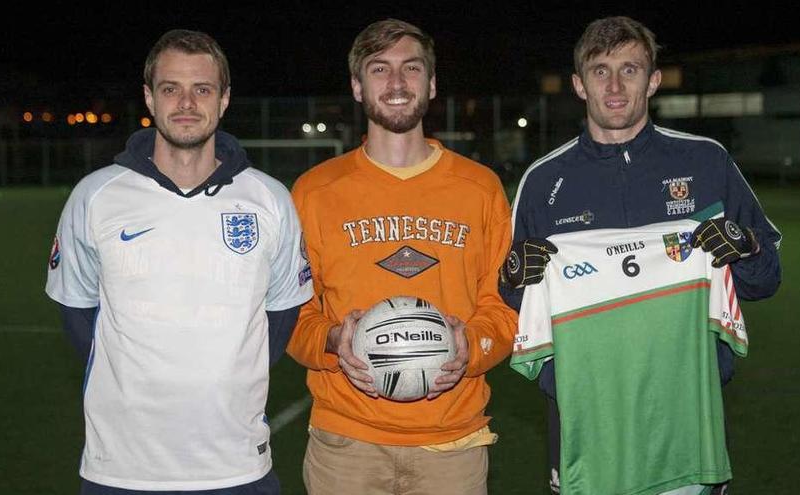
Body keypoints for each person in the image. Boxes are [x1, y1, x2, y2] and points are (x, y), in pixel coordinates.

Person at [501, 16, 781, 495]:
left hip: (688, 411)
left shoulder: (706, 162)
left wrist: (747, 248)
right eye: (600, 70)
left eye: (629, 70)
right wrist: (512, 277)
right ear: (579, 85)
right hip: (585, 418)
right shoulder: (543, 182)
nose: (614, 86)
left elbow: (765, 278)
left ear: (652, 81)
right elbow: (515, 303)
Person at [45, 29, 312, 495]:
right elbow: (76, 311)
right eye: (171, 88)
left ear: (224, 99)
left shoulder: (269, 199)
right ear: (149, 97)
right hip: (121, 471)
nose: (186, 103)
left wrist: (230, 377)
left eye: (202, 89)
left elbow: (282, 313)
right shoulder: (96, 196)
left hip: (237, 467)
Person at [286, 18, 518, 495]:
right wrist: (334, 340)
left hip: (452, 446)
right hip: (344, 444)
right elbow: (288, 317)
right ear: (357, 86)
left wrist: (470, 348)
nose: (396, 83)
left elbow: (505, 309)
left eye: (411, 68)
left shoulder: (480, 189)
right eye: (378, 69)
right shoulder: (314, 193)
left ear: (431, 84)